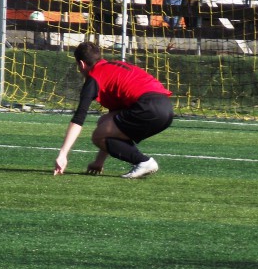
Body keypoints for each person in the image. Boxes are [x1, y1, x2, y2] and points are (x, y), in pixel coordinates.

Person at [53, 41, 173, 179]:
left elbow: (79, 118)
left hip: (148, 108)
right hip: (166, 108)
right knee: (104, 121)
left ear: (81, 64)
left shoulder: (94, 77)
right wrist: (99, 162)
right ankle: (142, 162)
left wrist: (63, 154)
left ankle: (143, 161)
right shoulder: (114, 67)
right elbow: (111, 127)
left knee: (97, 136)